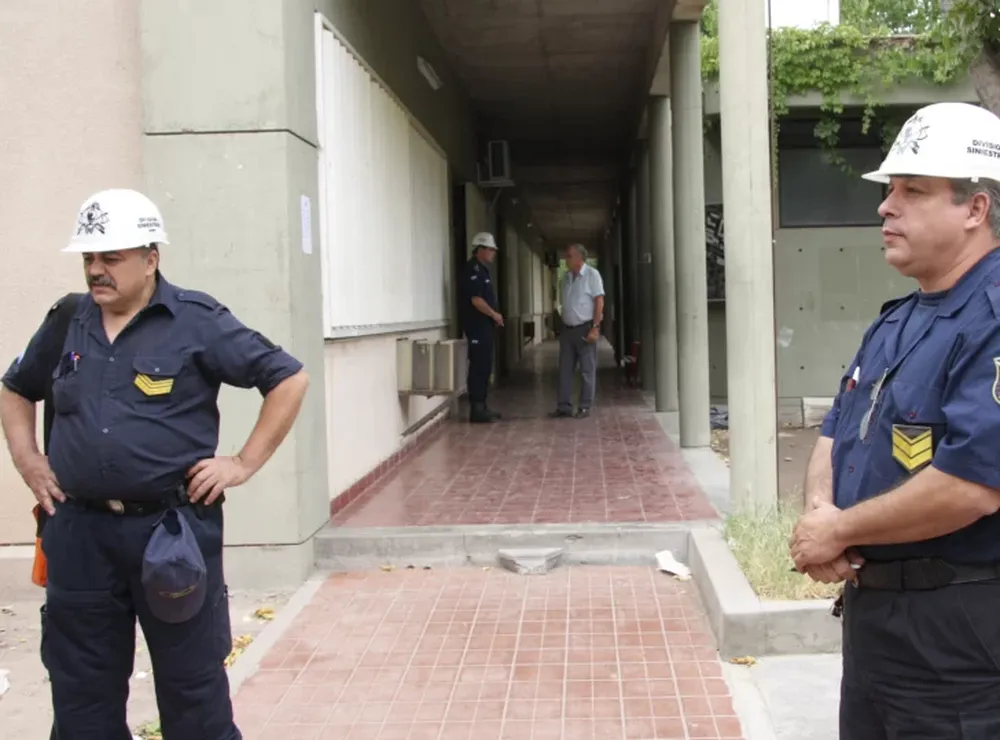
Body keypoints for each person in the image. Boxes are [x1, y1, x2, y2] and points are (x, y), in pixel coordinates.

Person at [0, 188, 309, 739]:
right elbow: (16, 389)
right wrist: (28, 459)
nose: (96, 271)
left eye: (110, 258)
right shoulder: (68, 320)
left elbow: (287, 377)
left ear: (150, 258)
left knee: (193, 695)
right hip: (79, 534)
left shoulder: (196, 320)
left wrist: (241, 463)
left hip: (170, 535)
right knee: (81, 698)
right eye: (89, 259)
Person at [788, 102, 1000, 738]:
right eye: (889, 190)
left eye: (912, 190)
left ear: (975, 208)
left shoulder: (992, 318)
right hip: (875, 620)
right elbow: (835, 430)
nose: (886, 207)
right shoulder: (897, 319)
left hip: (957, 636)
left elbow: (973, 484)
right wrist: (822, 519)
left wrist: (840, 529)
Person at [551, 243, 604, 419]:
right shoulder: (565, 278)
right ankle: (564, 406)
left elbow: (599, 301)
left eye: (569, 256)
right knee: (565, 369)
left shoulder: (591, 275)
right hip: (567, 330)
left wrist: (595, 327)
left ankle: (584, 406)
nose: (566, 259)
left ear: (580, 258)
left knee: (587, 370)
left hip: (585, 328)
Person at [458, 232, 503, 423]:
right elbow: (476, 299)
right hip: (476, 326)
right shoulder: (472, 270)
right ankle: (476, 408)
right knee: (478, 366)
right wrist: (494, 314)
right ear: (480, 250)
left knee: (485, 366)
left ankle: (482, 405)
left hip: (485, 327)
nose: (493, 253)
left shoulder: (484, 270)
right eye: (490, 249)